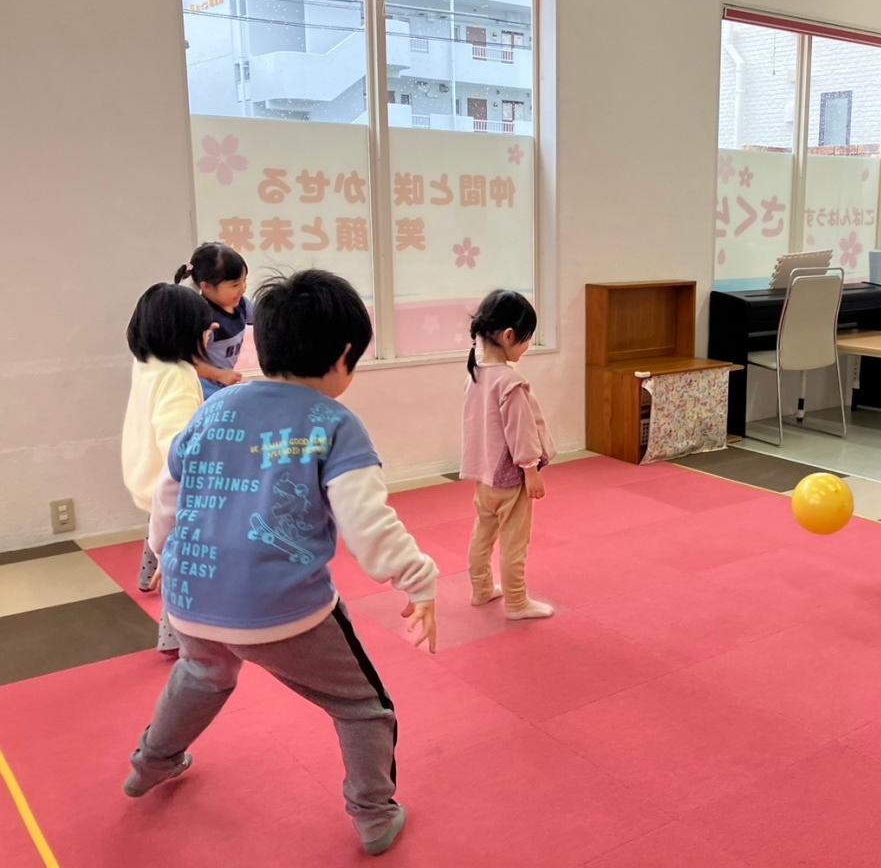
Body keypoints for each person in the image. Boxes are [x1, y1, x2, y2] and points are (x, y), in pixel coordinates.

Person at [124, 269, 438, 857]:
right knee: (363, 707)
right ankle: (374, 815)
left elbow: (169, 495)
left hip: (191, 596)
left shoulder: (214, 408)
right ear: (344, 357)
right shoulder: (335, 424)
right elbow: (368, 529)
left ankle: (150, 763)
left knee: (201, 675)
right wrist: (419, 579)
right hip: (282, 608)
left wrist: (165, 553)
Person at [121, 283, 213, 653]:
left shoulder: (146, 363)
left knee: (156, 529)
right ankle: (174, 641)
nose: (210, 332)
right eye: (204, 327)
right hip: (168, 484)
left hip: (142, 474)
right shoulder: (178, 376)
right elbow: (179, 446)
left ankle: (147, 576)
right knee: (180, 562)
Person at [460, 290, 557, 620]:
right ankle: (517, 602)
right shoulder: (510, 382)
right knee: (515, 542)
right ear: (509, 336)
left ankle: (481, 588)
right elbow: (521, 432)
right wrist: (531, 471)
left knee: (483, 533)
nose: (527, 346)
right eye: (527, 339)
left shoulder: (475, 376)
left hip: (485, 477)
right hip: (510, 479)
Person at [175, 242, 253, 398]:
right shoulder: (202, 318)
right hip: (203, 389)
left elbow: (265, 317)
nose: (243, 288)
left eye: (244, 281)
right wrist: (219, 375)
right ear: (206, 287)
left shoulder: (242, 304)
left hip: (222, 385)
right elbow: (188, 362)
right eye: (235, 285)